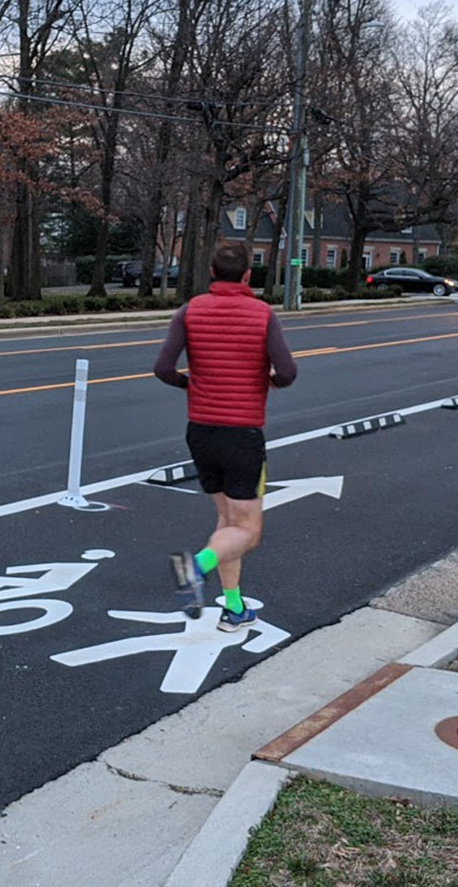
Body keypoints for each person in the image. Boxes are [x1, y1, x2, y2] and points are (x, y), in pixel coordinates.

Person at [152, 241, 298, 631]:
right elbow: (287, 373)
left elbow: (163, 367)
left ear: (212, 273)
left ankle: (233, 609)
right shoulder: (262, 314)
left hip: (200, 431)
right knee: (247, 531)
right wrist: (265, 381)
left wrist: (190, 385)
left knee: (226, 522)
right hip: (242, 435)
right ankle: (194, 567)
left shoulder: (190, 311)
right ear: (248, 275)